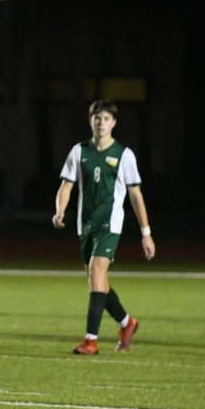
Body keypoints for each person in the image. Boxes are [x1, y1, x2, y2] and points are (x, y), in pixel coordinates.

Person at [53, 99, 155, 355]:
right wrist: (60, 211)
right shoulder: (79, 151)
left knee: (97, 273)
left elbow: (135, 195)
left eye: (106, 119)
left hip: (110, 224)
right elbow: (66, 186)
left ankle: (91, 340)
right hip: (84, 225)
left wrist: (146, 233)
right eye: (97, 118)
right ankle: (127, 322)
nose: (101, 123)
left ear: (114, 123)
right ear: (91, 121)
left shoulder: (124, 155)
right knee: (97, 280)